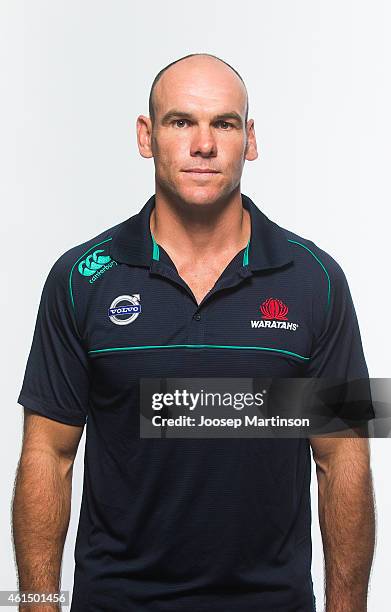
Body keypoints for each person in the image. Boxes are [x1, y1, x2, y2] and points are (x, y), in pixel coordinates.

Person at [13, 53, 375, 612]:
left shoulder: (317, 280)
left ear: (249, 139)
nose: (203, 144)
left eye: (223, 124)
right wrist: (37, 605)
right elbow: (48, 454)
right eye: (181, 122)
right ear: (146, 135)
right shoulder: (80, 277)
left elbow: (342, 457)